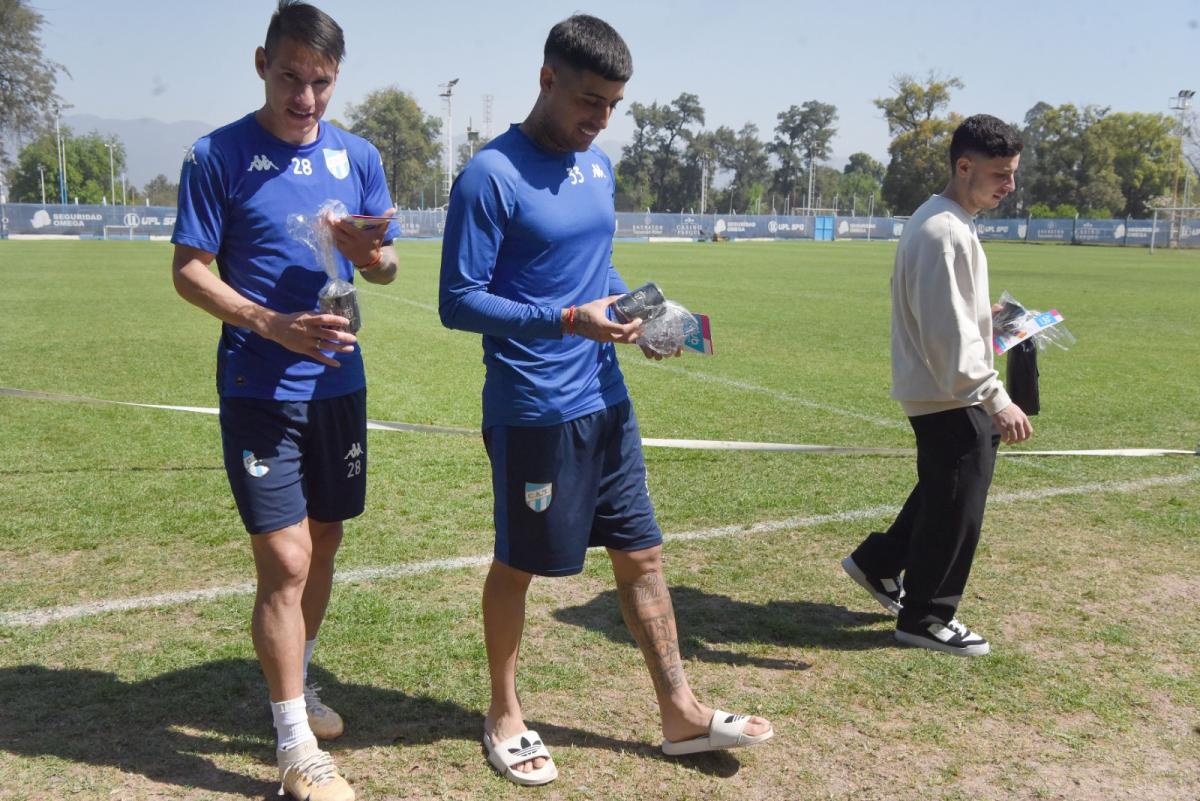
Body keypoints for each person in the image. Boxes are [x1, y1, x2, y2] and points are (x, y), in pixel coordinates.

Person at [438, 14, 772, 787]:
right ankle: (504, 712)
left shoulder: (598, 168)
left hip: (605, 394)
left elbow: (595, 267)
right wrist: (564, 320)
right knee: (519, 563)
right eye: (590, 100)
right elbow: (458, 301)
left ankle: (681, 711)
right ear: (547, 79)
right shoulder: (490, 176)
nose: (601, 119)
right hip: (532, 407)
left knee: (642, 552)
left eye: (614, 104)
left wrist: (644, 316)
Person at [170, 2, 398, 798]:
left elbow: (387, 267)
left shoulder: (358, 155)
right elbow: (189, 270)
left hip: (340, 384)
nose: (306, 97)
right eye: (292, 76)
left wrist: (372, 257)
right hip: (259, 387)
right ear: (261, 62)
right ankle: (296, 746)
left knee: (327, 538)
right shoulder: (218, 155)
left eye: (322, 83)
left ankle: (295, 684)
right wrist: (270, 323)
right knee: (286, 558)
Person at [841, 114, 1032, 657]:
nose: (1009, 186)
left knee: (945, 488)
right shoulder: (943, 229)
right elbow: (946, 337)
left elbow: (950, 315)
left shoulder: (950, 221)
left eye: (1013, 173)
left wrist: (989, 317)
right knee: (958, 501)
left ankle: (878, 564)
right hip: (950, 390)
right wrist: (997, 398)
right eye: (1000, 174)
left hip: (944, 386)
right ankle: (925, 616)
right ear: (964, 166)